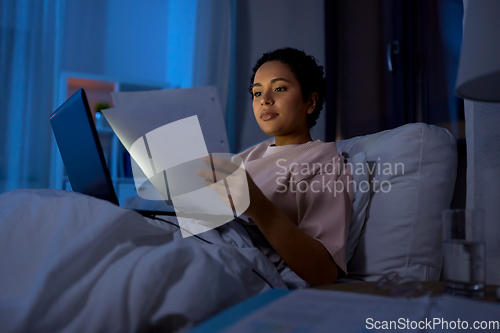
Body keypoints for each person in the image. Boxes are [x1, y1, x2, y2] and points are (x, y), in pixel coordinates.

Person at [197, 48, 353, 287]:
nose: (264, 99)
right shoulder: (249, 155)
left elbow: (324, 272)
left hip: (231, 258)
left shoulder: (325, 162)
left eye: (279, 88)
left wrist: (259, 207)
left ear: (310, 102)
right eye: (257, 92)